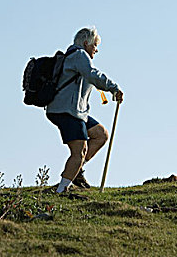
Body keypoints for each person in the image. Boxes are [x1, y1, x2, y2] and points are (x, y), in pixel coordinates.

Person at [46, 27, 123, 193]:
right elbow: (91, 74)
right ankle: (61, 190)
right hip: (67, 110)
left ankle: (77, 171)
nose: (96, 49)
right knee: (79, 151)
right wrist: (113, 88)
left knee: (100, 135)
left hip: (76, 110)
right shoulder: (79, 55)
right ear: (86, 43)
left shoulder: (73, 57)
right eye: (95, 45)